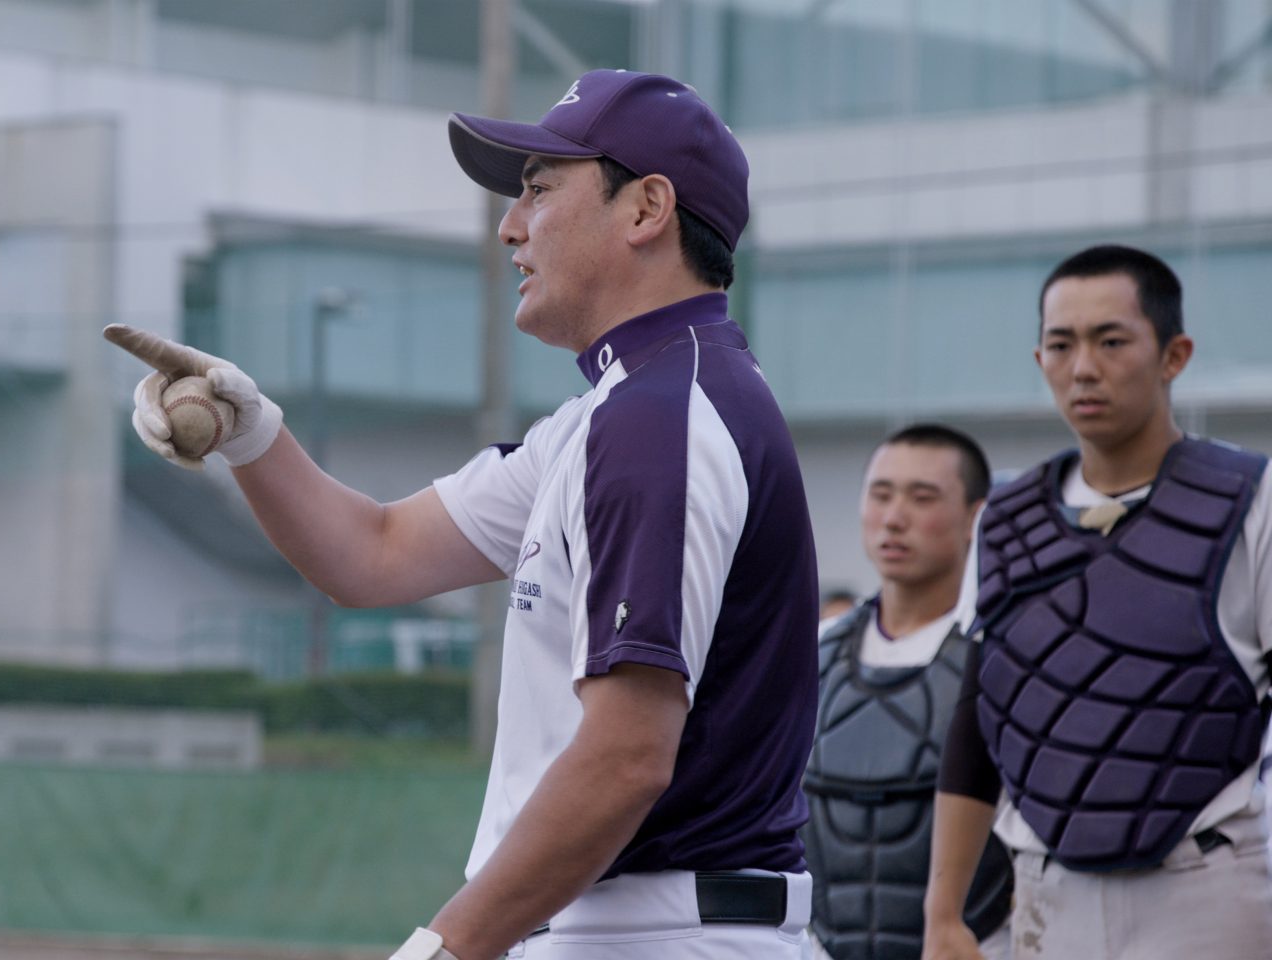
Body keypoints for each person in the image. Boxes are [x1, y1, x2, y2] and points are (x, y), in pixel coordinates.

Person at [107, 68, 820, 960]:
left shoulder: (659, 418)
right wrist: (253, 435)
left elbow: (628, 757)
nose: (509, 226)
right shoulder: (618, 414)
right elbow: (375, 553)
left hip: (660, 932)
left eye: (538, 189)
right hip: (636, 927)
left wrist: (444, 950)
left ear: (645, 210)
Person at [922, 245, 1272, 960]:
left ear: (1174, 354)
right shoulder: (1005, 520)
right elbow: (978, 718)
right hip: (1047, 898)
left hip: (1207, 887)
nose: (1084, 367)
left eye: (1111, 341)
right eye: (1061, 344)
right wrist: (943, 910)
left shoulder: (1252, 501)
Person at [806, 425, 1012, 960]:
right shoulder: (811, 652)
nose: (894, 518)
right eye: (880, 495)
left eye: (922, 499)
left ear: (975, 517)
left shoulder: (1006, 657)